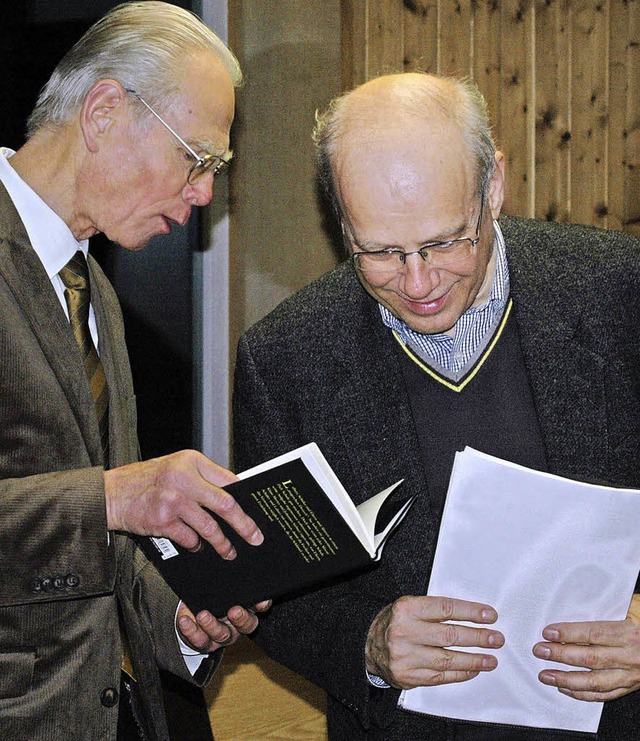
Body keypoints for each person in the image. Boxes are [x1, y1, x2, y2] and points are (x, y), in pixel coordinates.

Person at [232, 72, 640, 740]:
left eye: (446, 241)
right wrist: (368, 642)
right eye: (380, 253)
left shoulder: (619, 293)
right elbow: (278, 598)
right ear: (341, 220)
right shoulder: (287, 360)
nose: (419, 282)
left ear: (494, 187)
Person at [0, 3, 270, 740]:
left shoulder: (99, 299)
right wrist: (119, 494)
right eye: (198, 157)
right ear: (105, 112)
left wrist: (179, 620)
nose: (205, 193)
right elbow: (105, 508)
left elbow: (101, 554)